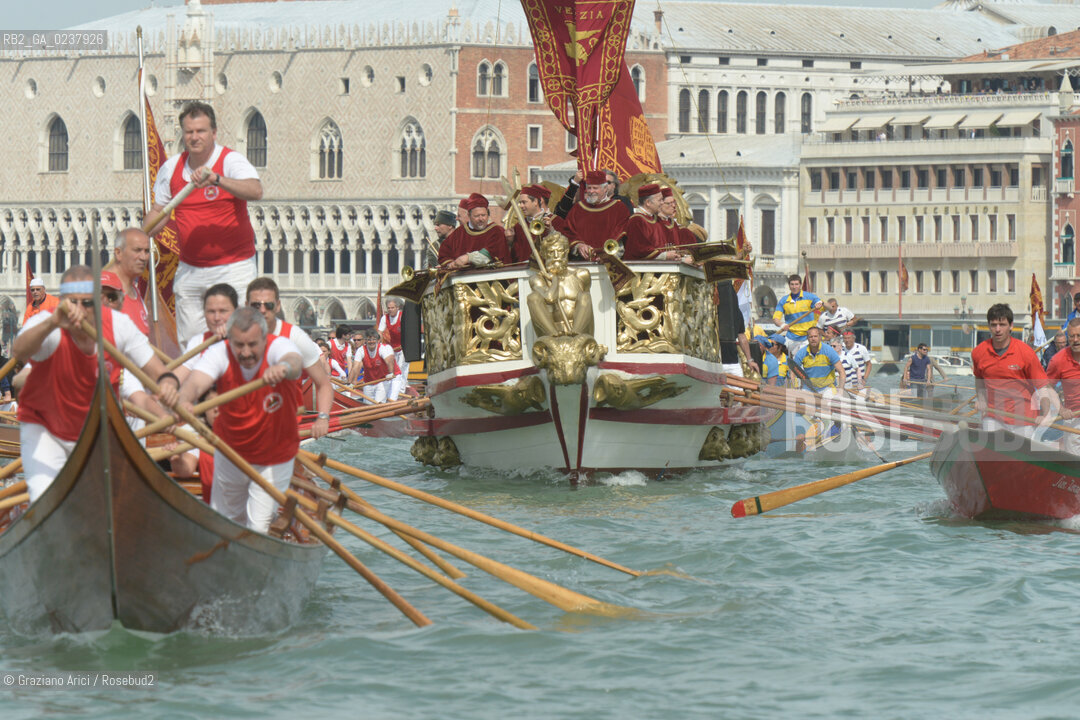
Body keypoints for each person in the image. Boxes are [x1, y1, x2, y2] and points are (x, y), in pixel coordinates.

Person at [15, 265, 171, 502]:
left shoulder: (119, 326)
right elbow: (19, 353)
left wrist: (169, 405)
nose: (79, 310)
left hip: (92, 431)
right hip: (45, 430)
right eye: (72, 303)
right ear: (62, 302)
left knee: (106, 501)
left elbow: (157, 376)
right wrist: (52, 323)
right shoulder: (48, 325)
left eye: (87, 303)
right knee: (46, 500)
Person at [170, 307, 303, 532]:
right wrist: (184, 401)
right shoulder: (219, 353)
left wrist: (284, 367)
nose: (246, 352)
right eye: (239, 345)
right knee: (225, 526)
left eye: (252, 344)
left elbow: (294, 361)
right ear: (230, 340)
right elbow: (195, 383)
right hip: (230, 452)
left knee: (258, 528)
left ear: (264, 338)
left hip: (274, 456)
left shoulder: (279, 347)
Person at [148, 101, 263, 344]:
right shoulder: (171, 168)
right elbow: (159, 212)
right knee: (191, 343)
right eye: (189, 132)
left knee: (240, 336)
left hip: (234, 267)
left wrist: (217, 179)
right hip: (191, 269)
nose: (194, 137)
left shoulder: (230, 160)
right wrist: (137, 235)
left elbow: (255, 190)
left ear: (214, 133)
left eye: (200, 131)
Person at [246, 277, 331, 439]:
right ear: (246, 306)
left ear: (277, 306)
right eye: (256, 305)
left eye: (268, 305)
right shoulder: (236, 336)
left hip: (283, 428)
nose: (262, 310)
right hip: (247, 425)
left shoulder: (296, 337)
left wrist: (323, 418)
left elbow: (324, 384)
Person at [972, 303, 1058, 436]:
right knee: (992, 449)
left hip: (1024, 418)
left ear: (1011, 326)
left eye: (1002, 325)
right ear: (989, 326)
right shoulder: (978, 352)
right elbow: (979, 379)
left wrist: (1046, 414)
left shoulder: (1025, 352)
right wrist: (981, 399)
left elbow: (1042, 386)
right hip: (993, 416)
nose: (998, 329)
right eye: (994, 325)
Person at [555, 169, 630, 260]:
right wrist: (578, 245)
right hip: (581, 261)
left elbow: (622, 236)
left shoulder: (619, 209)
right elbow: (567, 231)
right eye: (589, 188)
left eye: (595, 188)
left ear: (605, 189)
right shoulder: (578, 208)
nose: (591, 191)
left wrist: (609, 255)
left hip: (610, 262)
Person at [174, 283, 239, 384]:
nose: (217, 318)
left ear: (237, 311)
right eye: (211, 312)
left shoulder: (249, 339)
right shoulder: (198, 341)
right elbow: (178, 377)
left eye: (223, 311)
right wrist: (167, 383)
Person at [438, 193, 510, 269]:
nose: (481, 219)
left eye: (483, 215)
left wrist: (468, 258)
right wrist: (451, 264)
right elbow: (444, 253)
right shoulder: (459, 233)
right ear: (469, 216)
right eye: (477, 216)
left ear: (488, 215)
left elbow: (491, 252)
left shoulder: (496, 231)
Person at [624, 183, 687, 261]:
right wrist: (665, 256)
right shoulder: (637, 220)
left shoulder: (656, 219)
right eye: (659, 200)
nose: (662, 203)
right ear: (648, 202)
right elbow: (640, 250)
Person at [1047, 318, 1080, 454]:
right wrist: (1061, 409)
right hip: (1073, 420)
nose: (1076, 340)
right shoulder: (1058, 360)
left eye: (1079, 335)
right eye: (1072, 336)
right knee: (1074, 461)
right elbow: (1047, 387)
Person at [111, 227, 152, 335]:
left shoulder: (134, 291)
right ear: (118, 253)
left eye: (147, 251)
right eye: (137, 250)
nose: (143, 257)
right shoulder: (105, 290)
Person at [773, 274, 823, 354]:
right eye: (792, 284)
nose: (794, 287)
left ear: (800, 285)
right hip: (791, 338)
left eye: (796, 284)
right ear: (789, 286)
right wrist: (782, 325)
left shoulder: (809, 296)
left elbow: (820, 302)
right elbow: (776, 319)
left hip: (807, 337)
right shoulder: (783, 300)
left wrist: (819, 303)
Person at [791, 326, 845, 394]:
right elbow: (793, 371)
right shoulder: (801, 353)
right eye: (811, 337)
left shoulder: (829, 351)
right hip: (808, 388)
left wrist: (840, 392)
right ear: (807, 338)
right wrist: (795, 387)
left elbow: (841, 372)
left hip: (827, 388)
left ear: (820, 337)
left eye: (815, 336)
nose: (813, 339)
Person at [506, 184, 551, 264]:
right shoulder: (519, 226)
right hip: (523, 269)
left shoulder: (555, 221)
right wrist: (510, 242)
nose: (521, 206)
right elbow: (515, 257)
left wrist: (551, 231)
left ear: (535, 202)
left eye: (524, 202)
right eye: (520, 203)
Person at [356, 328, 400, 403]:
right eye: (369, 340)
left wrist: (390, 373)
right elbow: (356, 366)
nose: (372, 342)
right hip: (371, 381)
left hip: (389, 377)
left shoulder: (385, 348)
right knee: (368, 404)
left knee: (388, 399)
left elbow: (389, 362)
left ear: (378, 340)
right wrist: (351, 382)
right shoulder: (361, 350)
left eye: (374, 339)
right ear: (366, 341)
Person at [378, 298, 410, 397]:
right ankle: (393, 389)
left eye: (392, 308)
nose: (390, 310)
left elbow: (409, 332)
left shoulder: (402, 316)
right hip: (393, 347)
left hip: (405, 346)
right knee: (392, 368)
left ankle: (401, 391)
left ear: (397, 308)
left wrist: (405, 345)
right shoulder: (385, 318)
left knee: (401, 368)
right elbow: (379, 332)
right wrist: (378, 343)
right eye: (388, 308)